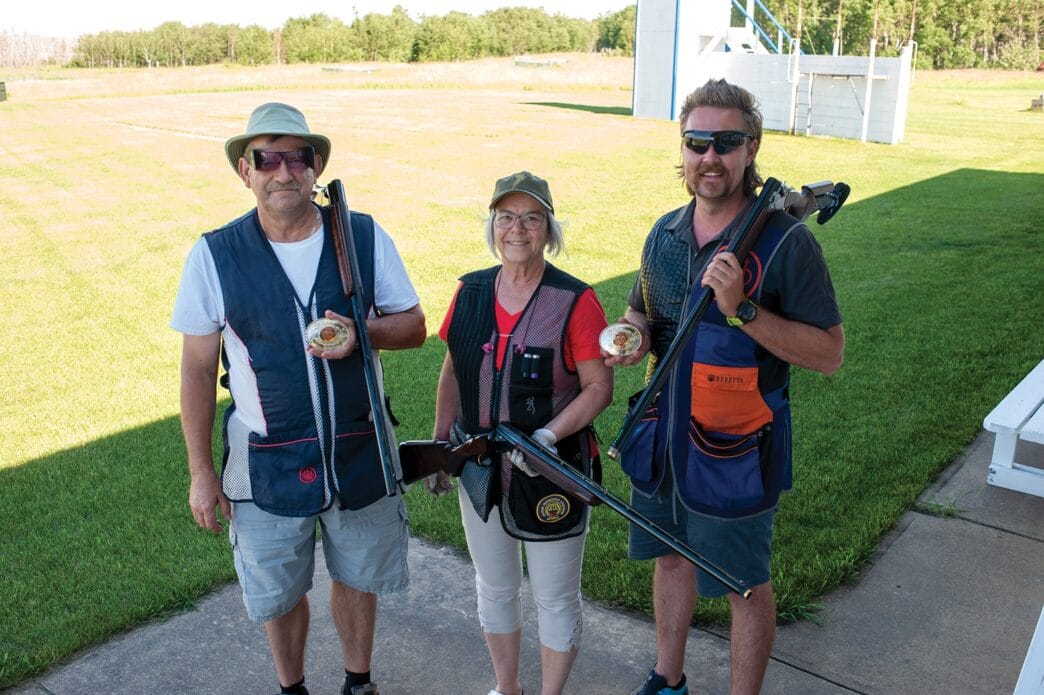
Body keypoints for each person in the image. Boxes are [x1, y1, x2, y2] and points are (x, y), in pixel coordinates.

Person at [172, 102, 425, 695]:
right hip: (266, 460)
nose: (283, 172)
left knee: (358, 577)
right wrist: (201, 471)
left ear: (316, 167)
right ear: (245, 171)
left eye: (297, 157)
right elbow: (197, 369)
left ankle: (358, 683)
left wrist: (362, 333)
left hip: (360, 448)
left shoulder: (362, 235)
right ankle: (293, 689)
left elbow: (413, 326)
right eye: (267, 159)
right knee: (280, 593)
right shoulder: (214, 255)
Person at [605, 79, 845, 695]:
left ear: (751, 148)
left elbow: (828, 354)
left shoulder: (786, 242)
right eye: (697, 142)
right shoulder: (664, 233)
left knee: (744, 586)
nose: (710, 156)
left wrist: (743, 309)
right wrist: (630, 337)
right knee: (670, 557)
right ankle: (668, 679)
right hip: (661, 436)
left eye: (727, 142)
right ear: (683, 149)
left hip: (734, 447)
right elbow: (643, 312)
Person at [427, 171, 613, 695]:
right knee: (494, 586)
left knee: (555, 597)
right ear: (492, 225)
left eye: (531, 218)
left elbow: (599, 387)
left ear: (549, 229)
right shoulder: (469, 291)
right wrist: (441, 447)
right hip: (478, 465)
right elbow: (453, 369)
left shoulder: (575, 300)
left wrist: (548, 437)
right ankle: (507, 688)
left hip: (553, 469)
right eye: (506, 217)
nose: (517, 229)